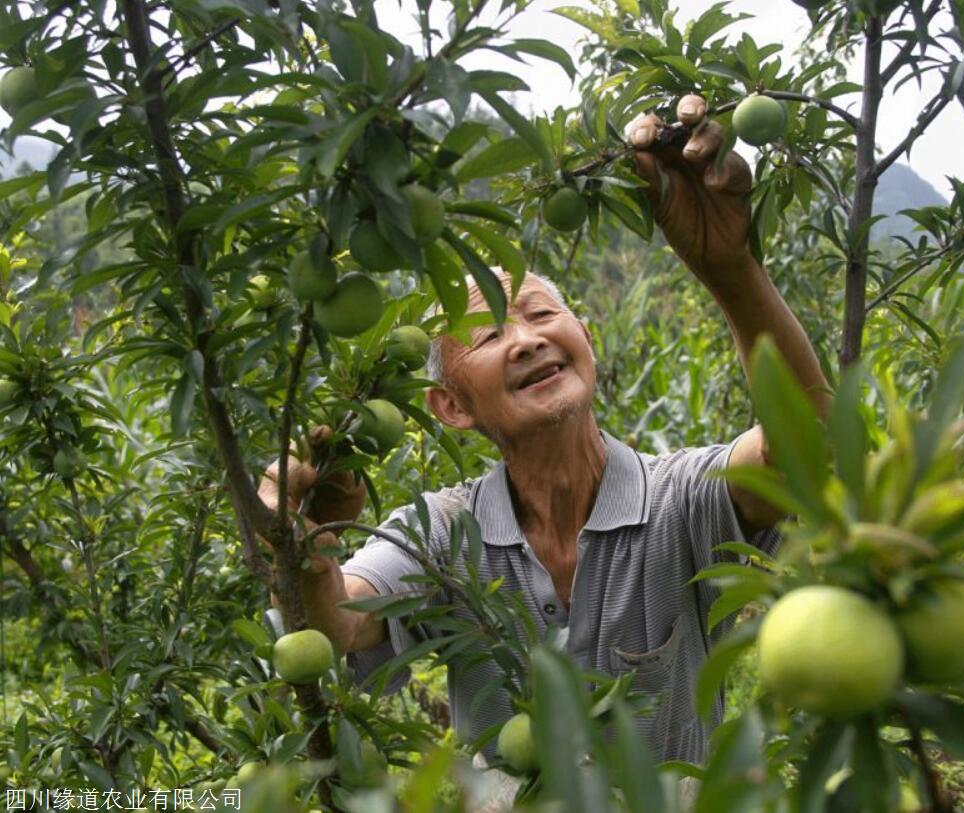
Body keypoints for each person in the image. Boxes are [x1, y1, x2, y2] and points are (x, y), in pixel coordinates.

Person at [258, 94, 829, 785]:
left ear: (584, 339)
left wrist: (731, 270)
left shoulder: (681, 500)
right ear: (451, 404)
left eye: (539, 313)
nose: (526, 338)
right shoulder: (443, 533)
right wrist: (305, 550)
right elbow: (343, 623)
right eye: (492, 334)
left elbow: (809, 446)